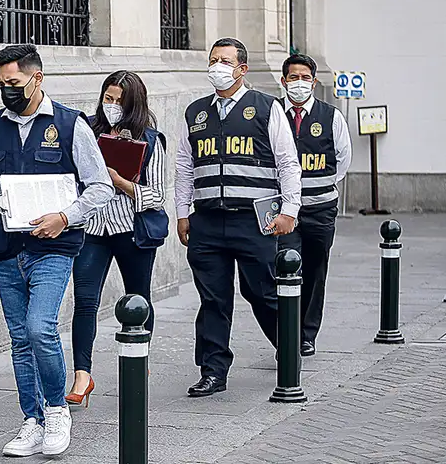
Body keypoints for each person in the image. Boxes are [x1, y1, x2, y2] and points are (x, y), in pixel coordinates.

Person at [0, 44, 115, 457]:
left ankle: (55, 410)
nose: (6, 90)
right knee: (18, 338)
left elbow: (100, 186)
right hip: (8, 248)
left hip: (54, 247)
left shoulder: (70, 124)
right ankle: (30, 419)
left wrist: (64, 217)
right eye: (1, 84)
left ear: (37, 78)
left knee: (39, 328)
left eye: (13, 82)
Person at [175, 37, 302, 398]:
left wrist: (290, 210)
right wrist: (183, 213)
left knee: (262, 290)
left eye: (225, 61)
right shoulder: (196, 112)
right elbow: (185, 166)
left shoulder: (265, 108)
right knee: (213, 299)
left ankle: (288, 346)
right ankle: (213, 371)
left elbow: (287, 163)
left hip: (254, 221)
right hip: (208, 222)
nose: (218, 67)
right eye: (213, 60)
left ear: (242, 69)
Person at [65, 71, 168, 407]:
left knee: (138, 297)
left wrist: (119, 181)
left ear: (133, 104)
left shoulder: (150, 139)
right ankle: (82, 374)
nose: (112, 106)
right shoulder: (86, 131)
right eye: (108, 99)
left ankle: (140, 360)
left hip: (131, 229)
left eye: (119, 101)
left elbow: (156, 195)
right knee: (85, 300)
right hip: (92, 228)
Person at [276, 54, 351, 357]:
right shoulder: (273, 115)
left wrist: (318, 188)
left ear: (314, 82)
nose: (299, 83)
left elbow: (343, 159)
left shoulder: (330, 116)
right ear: (283, 82)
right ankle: (285, 333)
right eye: (293, 78)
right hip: (284, 212)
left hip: (320, 210)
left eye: (305, 78)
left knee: (315, 270)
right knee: (285, 268)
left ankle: (306, 334)